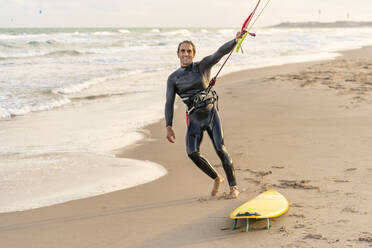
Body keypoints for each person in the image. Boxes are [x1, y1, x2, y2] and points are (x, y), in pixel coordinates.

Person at [165, 32, 245, 199]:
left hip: (210, 115)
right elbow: (169, 102)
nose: (185, 54)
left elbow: (219, 53)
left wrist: (235, 40)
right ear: (178, 54)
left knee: (220, 149)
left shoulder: (202, 67)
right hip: (194, 119)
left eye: (189, 51)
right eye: (182, 51)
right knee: (192, 153)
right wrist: (169, 126)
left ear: (193, 54)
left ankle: (233, 187)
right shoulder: (173, 79)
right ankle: (216, 178)